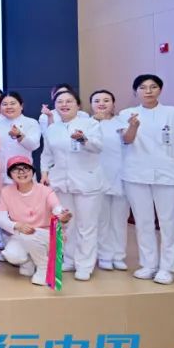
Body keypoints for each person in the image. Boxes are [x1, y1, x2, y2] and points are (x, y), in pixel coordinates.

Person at [119, 74, 174, 286]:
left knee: (169, 222)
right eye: (143, 87)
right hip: (136, 174)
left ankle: (167, 267)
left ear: (160, 90)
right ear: (136, 92)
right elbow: (126, 139)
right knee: (143, 222)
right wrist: (133, 126)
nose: (148, 91)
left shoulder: (173, 113)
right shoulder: (126, 113)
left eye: (153, 87)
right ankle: (148, 264)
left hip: (170, 174)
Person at [41, 90, 105, 281]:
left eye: (69, 101)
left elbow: (98, 147)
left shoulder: (90, 124)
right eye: (60, 101)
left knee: (87, 226)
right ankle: (69, 259)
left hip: (87, 182)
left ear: (78, 105)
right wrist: (44, 173)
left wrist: (83, 140)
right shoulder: (52, 128)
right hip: (61, 182)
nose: (64, 104)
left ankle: (85, 265)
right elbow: (47, 154)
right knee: (67, 223)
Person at [0, 156, 71, 286]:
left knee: (29, 235)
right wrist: (16, 225)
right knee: (12, 255)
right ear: (10, 175)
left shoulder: (45, 190)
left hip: (47, 235)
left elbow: (57, 208)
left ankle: (43, 267)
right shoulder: (6, 192)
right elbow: (1, 218)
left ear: (32, 171)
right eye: (16, 169)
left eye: (26, 168)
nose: (21, 172)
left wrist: (62, 215)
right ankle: (29, 261)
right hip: (23, 233)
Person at [90, 89, 130, 271]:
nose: (101, 103)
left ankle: (119, 255)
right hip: (97, 177)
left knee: (120, 220)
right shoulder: (87, 123)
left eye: (106, 100)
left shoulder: (122, 123)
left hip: (121, 176)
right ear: (91, 104)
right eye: (97, 100)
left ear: (113, 104)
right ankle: (104, 255)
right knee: (101, 220)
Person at [0, 92, 41, 185]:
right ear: (0, 107)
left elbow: (34, 146)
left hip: (23, 174)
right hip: (1, 175)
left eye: (12, 103)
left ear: (21, 106)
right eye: (5, 104)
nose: (9, 107)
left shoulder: (31, 123)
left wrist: (19, 135)